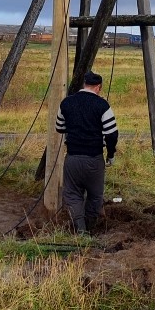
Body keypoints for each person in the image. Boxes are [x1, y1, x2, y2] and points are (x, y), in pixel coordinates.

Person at [55, 70, 118, 234]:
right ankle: (90, 226)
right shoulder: (102, 105)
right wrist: (110, 155)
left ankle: (80, 228)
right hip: (94, 159)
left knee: (73, 195)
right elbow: (112, 133)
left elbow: (59, 128)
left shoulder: (66, 103)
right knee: (95, 195)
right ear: (98, 87)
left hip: (73, 158)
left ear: (84, 84)